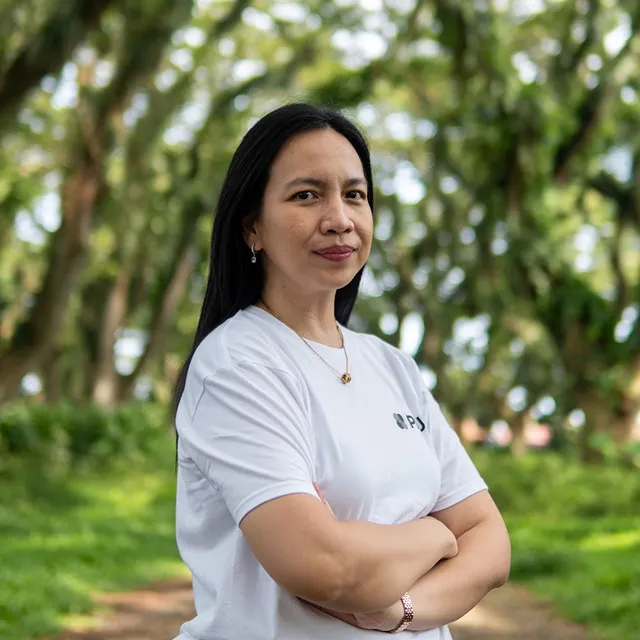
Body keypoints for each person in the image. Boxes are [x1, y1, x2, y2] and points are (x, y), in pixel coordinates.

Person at [172, 103, 511, 640]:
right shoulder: (238, 364)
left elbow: (491, 545)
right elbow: (323, 566)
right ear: (252, 227)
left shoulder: (393, 366)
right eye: (307, 195)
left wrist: (399, 611)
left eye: (354, 194)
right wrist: (438, 536)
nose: (339, 219)